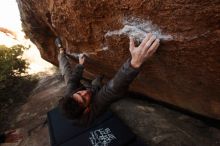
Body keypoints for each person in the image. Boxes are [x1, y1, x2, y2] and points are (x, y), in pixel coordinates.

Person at [57, 33, 160, 126]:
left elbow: (72, 80)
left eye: (79, 93)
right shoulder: (93, 111)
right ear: (86, 110)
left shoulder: (69, 96)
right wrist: (134, 63)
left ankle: (60, 52)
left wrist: (80, 66)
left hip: (85, 94)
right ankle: (98, 81)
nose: (84, 93)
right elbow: (112, 90)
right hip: (95, 98)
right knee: (97, 85)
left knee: (67, 74)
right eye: (83, 99)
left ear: (72, 94)